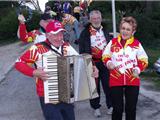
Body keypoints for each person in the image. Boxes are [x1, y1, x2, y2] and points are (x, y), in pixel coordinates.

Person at [15, 20, 79, 120]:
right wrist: (34, 72)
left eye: (61, 34)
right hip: (47, 95)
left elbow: (80, 61)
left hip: (66, 92)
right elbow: (18, 63)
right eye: (55, 35)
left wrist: (91, 68)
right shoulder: (37, 48)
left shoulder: (66, 46)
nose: (59, 38)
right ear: (48, 35)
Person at [102, 16, 148, 120]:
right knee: (117, 109)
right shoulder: (113, 42)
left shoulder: (137, 44)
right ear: (120, 28)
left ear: (133, 31)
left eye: (128, 29)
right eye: (123, 28)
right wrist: (108, 62)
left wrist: (138, 69)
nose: (125, 31)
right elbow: (105, 55)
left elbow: (144, 59)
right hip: (115, 79)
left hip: (132, 79)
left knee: (131, 109)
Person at [79, 10, 112, 117]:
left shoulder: (105, 30)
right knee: (94, 87)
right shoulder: (85, 32)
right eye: (94, 18)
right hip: (92, 62)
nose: (96, 20)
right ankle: (96, 107)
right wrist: (87, 63)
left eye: (98, 18)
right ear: (90, 19)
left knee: (108, 85)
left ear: (101, 18)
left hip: (105, 62)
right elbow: (82, 50)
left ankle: (110, 105)